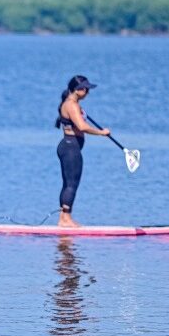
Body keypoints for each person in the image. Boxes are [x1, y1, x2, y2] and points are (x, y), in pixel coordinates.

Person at [55, 75, 110, 227]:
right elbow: (82, 127)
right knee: (72, 184)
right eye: (86, 89)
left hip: (69, 146)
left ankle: (63, 218)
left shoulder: (72, 103)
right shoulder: (71, 105)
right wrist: (102, 133)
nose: (88, 92)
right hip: (70, 147)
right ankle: (66, 219)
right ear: (78, 90)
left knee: (68, 183)